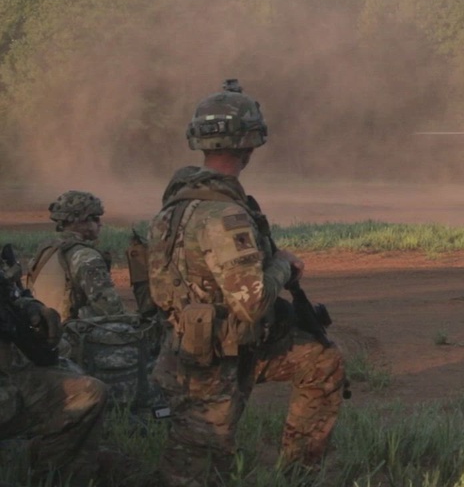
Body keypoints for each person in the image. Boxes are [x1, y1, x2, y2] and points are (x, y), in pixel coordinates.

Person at [147, 79, 345, 486]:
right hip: (212, 362)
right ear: (250, 146)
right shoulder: (225, 215)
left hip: (202, 347)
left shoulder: (176, 204)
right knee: (197, 470)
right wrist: (284, 268)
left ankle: (298, 475)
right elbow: (251, 301)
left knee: (322, 360)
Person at [0, 245, 110, 484]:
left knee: (88, 389)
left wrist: (35, 310)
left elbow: (12, 295)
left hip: (10, 375)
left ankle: (53, 475)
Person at [27, 190, 126, 322]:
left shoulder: (45, 250)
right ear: (79, 221)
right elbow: (110, 309)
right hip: (71, 334)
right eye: (95, 218)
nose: (100, 223)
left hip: (45, 331)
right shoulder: (85, 256)